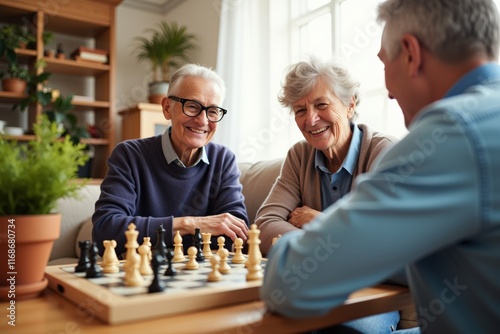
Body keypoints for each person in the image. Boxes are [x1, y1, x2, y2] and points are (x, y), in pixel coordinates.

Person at [260, 0, 500, 333]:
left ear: (411, 53)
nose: (388, 92)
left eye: (384, 62)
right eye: (300, 110)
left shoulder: (449, 134)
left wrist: (306, 239)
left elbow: (289, 282)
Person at [255, 57, 400, 333]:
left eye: (321, 105)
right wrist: (326, 250)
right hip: (313, 287)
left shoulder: (384, 152)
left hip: (370, 294)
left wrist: (316, 221)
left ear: (350, 104)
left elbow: (381, 244)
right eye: (300, 110)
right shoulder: (299, 155)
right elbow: (265, 223)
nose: (310, 119)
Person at [92, 64, 249, 257]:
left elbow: (237, 233)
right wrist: (190, 223)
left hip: (199, 276)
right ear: (167, 108)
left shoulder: (223, 160)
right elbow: (106, 230)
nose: (203, 121)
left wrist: (150, 231)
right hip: (143, 274)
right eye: (192, 106)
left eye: (213, 111)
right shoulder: (129, 155)